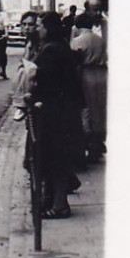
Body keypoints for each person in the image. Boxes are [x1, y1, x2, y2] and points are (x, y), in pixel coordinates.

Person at [31, 11, 85, 218]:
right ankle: (53, 201)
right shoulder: (59, 46)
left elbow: (47, 81)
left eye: (40, 25)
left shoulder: (52, 50)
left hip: (55, 113)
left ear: (49, 28)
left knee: (55, 159)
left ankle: (60, 205)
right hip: (63, 111)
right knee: (56, 158)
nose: (37, 29)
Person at [70, 12, 107, 163]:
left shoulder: (77, 41)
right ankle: (99, 143)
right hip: (102, 74)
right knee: (100, 110)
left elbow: (74, 62)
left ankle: (89, 144)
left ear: (77, 26)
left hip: (86, 75)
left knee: (87, 111)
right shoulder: (100, 40)